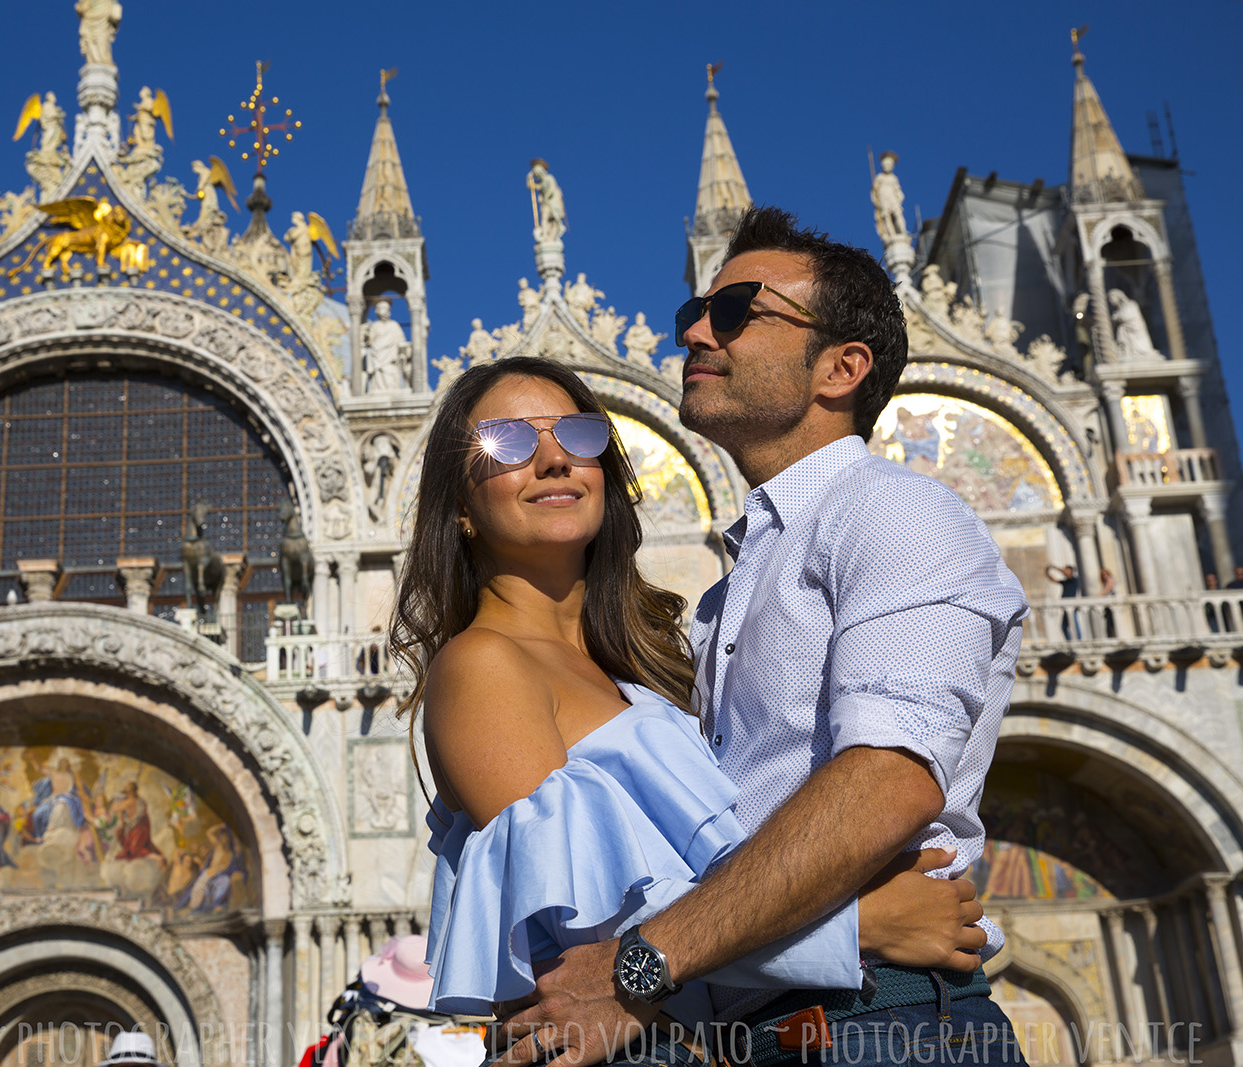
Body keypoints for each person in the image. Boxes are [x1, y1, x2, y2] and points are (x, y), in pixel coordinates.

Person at [497, 208, 1029, 1067]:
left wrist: (642, 967)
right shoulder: (726, 597)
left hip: (879, 1032)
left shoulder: (894, 511)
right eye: (693, 316)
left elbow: (887, 782)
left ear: (841, 368)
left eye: (740, 309)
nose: (697, 331)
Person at [394, 355, 987, 1067]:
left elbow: (682, 919)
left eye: (579, 436)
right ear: (459, 505)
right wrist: (861, 923)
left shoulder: (636, 675)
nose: (553, 459)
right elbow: (600, 943)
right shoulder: (480, 664)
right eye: (507, 442)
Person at [1046, 563, 1081, 640]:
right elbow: (1053, 580)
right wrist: (1047, 572)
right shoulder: (1065, 582)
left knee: (1074, 624)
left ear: (1071, 571)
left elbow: (1065, 573)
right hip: (1065, 606)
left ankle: (1079, 639)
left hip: (1071, 605)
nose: (1064, 572)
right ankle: (1070, 640)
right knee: (1064, 626)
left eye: (1066, 570)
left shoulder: (1073, 580)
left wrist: (1054, 567)